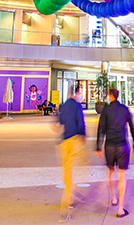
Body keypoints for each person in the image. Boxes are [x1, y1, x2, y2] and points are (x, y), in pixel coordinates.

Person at [95, 87, 134, 219]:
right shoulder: (125, 109)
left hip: (110, 146)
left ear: (110, 96)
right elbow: (132, 126)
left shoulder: (106, 110)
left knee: (111, 171)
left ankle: (114, 197)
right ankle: (120, 209)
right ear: (117, 96)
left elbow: (101, 129)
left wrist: (98, 147)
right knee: (122, 175)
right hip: (123, 146)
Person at [57, 84, 87, 219]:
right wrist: (83, 135)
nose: (81, 95)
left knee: (67, 170)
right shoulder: (77, 106)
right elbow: (81, 122)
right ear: (76, 93)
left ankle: (69, 196)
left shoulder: (63, 106)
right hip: (75, 139)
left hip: (64, 141)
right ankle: (68, 199)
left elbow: (61, 121)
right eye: (80, 93)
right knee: (81, 167)